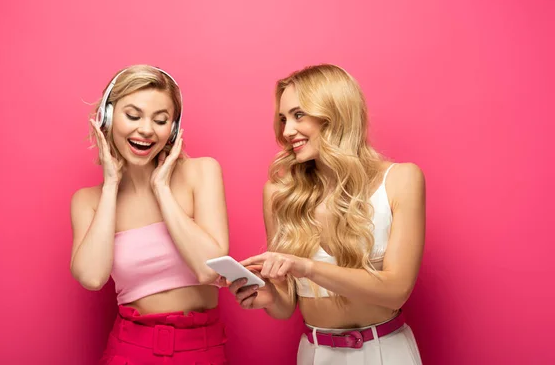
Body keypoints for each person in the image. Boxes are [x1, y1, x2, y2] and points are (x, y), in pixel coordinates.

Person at [228, 64, 425, 364]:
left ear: (334, 112)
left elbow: (396, 291)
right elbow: (286, 305)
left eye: (298, 115)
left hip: (385, 352)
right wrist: (269, 297)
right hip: (316, 354)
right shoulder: (280, 194)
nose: (286, 131)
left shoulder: (401, 180)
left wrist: (306, 267)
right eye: (283, 119)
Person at [70, 64, 229, 364]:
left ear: (173, 128)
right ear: (106, 117)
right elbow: (91, 277)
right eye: (133, 115)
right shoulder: (88, 201)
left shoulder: (203, 172)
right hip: (129, 349)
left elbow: (209, 269)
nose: (146, 130)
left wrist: (161, 188)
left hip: (202, 349)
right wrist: (111, 186)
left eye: (160, 120)